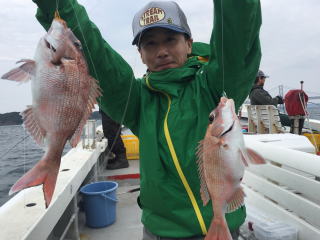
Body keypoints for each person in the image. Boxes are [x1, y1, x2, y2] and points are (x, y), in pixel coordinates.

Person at [32, 0, 262, 239]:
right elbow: (97, 54)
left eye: (171, 39)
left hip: (224, 227)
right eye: (150, 44)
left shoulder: (216, 86)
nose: (161, 51)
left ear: (189, 44)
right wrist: (56, 5)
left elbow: (238, 35)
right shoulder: (137, 100)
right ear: (140, 55)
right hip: (160, 232)